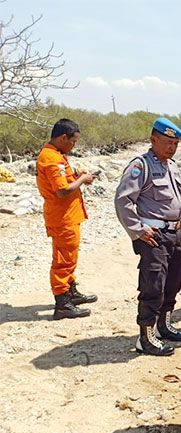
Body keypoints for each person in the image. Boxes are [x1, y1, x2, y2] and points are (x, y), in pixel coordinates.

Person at [114, 117, 181, 356]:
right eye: (168, 142)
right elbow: (123, 200)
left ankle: (164, 326)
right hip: (154, 236)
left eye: (175, 143)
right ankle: (145, 339)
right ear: (153, 140)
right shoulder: (141, 166)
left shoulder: (172, 166)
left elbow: (180, 203)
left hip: (175, 233)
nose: (172, 147)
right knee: (153, 285)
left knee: (174, 282)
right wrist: (138, 230)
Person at [36, 119, 98, 320]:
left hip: (67, 216)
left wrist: (78, 176)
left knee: (69, 256)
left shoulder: (56, 155)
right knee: (63, 260)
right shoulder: (52, 159)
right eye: (73, 141)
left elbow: (65, 182)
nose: (74, 145)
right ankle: (62, 302)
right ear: (63, 138)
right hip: (62, 218)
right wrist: (82, 180)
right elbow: (62, 190)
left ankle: (70, 292)